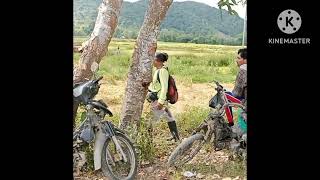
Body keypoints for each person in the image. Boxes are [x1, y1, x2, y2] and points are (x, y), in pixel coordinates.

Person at [146, 52, 180, 142]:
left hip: (159, 100)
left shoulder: (162, 71)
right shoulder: (158, 70)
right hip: (160, 99)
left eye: (154, 59)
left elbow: (164, 87)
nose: (152, 61)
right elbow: (157, 85)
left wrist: (160, 102)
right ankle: (176, 137)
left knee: (151, 120)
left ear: (159, 61)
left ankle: (147, 141)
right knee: (169, 117)